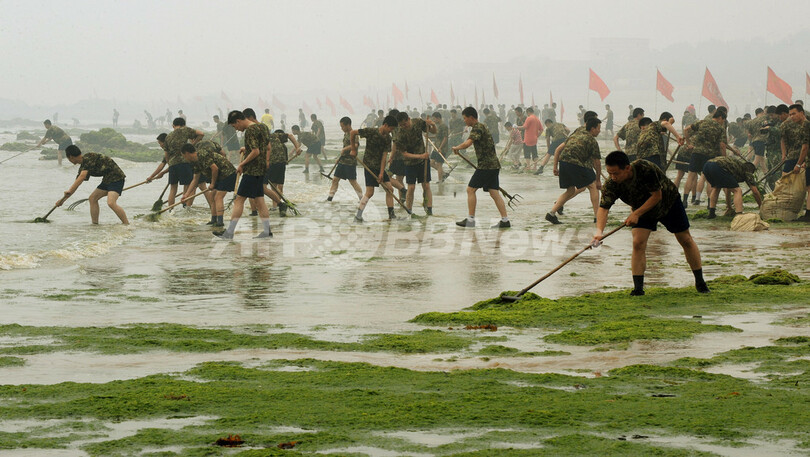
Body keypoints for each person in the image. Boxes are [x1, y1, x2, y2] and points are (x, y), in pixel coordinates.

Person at [594, 150, 709, 296]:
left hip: (668, 202)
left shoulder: (645, 168)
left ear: (627, 168)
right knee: (638, 242)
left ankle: (700, 282)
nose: (613, 177)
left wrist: (635, 214)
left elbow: (657, 196)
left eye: (616, 173)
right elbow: (603, 208)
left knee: (685, 239)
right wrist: (599, 232)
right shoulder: (612, 184)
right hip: (642, 209)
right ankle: (638, 289)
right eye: (610, 173)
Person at [216, 110, 273, 239]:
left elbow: (256, 151)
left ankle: (229, 233)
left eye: (234, 126)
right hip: (261, 169)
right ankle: (267, 231)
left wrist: (242, 164)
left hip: (252, 170)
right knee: (259, 200)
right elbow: (264, 147)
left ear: (238, 121)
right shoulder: (262, 127)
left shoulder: (250, 131)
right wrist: (246, 149)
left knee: (239, 200)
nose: (236, 129)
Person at [452, 107, 510, 228]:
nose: (464, 121)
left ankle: (471, 220)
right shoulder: (482, 126)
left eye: (465, 118)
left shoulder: (477, 127)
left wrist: (457, 148)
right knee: (494, 192)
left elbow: (468, 143)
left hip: (486, 166)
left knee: (470, 190)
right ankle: (505, 221)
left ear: (471, 117)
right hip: (493, 165)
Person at [546, 118, 603, 224]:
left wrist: (555, 166)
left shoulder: (576, 133)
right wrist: (598, 179)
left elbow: (559, 149)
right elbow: (597, 163)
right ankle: (597, 216)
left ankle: (551, 213)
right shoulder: (592, 140)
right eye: (598, 128)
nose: (599, 131)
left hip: (563, 162)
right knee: (593, 186)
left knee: (570, 190)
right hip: (575, 163)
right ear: (592, 128)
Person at [55, 145, 129, 225]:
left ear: (71, 157)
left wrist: (68, 191)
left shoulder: (89, 157)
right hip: (107, 180)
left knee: (111, 203)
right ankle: (95, 225)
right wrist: (62, 201)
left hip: (117, 178)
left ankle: (126, 224)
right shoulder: (83, 167)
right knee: (92, 199)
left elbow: (82, 177)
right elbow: (77, 184)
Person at [147, 117, 205, 208]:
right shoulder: (185, 130)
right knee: (187, 186)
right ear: (183, 125)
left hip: (173, 165)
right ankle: (186, 207)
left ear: (173, 125)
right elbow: (201, 134)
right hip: (184, 163)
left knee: (173, 189)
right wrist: (192, 144)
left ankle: (171, 209)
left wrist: (170, 165)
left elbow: (166, 155)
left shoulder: (168, 136)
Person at [351, 115, 399, 221]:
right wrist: (353, 149)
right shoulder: (371, 132)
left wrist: (382, 173)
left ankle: (392, 215)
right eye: (391, 128)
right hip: (369, 165)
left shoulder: (388, 138)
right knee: (370, 192)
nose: (391, 131)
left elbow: (384, 156)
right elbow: (352, 133)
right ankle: (358, 216)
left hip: (379, 166)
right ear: (385, 125)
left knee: (389, 189)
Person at [181, 142, 237, 227]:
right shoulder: (194, 162)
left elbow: (215, 168)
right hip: (219, 176)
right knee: (211, 197)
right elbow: (195, 180)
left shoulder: (202, 154)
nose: (184, 158)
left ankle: (220, 221)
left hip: (228, 173)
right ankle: (213, 220)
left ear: (187, 153)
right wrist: (186, 195)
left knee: (218, 197)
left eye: (184, 156)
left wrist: (212, 183)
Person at [681, 110, 728, 208]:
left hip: (697, 153)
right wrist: (724, 159)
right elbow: (722, 145)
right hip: (710, 156)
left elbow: (686, 130)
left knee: (691, 176)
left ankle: (684, 201)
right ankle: (709, 204)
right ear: (720, 118)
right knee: (709, 180)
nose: (722, 122)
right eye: (723, 120)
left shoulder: (702, 122)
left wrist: (689, 144)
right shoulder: (720, 128)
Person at [395, 111, 437, 215]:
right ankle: (409, 210)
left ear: (409, 119)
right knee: (411, 187)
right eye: (401, 125)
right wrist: (421, 156)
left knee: (426, 185)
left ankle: (429, 209)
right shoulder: (400, 134)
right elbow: (404, 154)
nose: (403, 126)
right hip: (410, 163)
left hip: (423, 162)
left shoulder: (418, 122)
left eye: (405, 124)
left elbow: (433, 132)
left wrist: (432, 124)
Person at [327, 117, 364, 201]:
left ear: (348, 125)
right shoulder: (346, 133)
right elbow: (345, 146)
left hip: (350, 162)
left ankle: (362, 199)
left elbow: (356, 145)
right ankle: (330, 198)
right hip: (342, 161)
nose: (341, 129)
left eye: (342, 126)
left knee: (353, 181)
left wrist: (345, 149)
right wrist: (339, 158)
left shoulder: (353, 133)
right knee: (335, 180)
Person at [780, 104, 807, 176]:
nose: (792, 116)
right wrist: (784, 154)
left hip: (801, 157)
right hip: (794, 155)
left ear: (801, 113)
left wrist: (799, 164)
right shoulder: (785, 124)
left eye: (794, 114)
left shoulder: (806, 126)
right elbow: (783, 139)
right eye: (790, 114)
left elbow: (805, 147)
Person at [515, 107, 542, 172]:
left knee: (527, 153)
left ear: (528, 112)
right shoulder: (537, 119)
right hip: (534, 139)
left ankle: (528, 166)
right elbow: (541, 129)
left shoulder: (529, 118)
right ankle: (535, 166)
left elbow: (524, 127)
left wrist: (516, 127)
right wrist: (537, 136)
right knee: (534, 153)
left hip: (527, 139)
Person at [746, 108, 769, 174]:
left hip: (754, 141)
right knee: (757, 160)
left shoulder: (752, 121)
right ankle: (748, 173)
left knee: (762, 159)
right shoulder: (764, 118)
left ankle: (765, 172)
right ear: (762, 112)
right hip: (760, 141)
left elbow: (749, 134)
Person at [429, 112, 449, 182]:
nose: (433, 121)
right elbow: (437, 136)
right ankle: (443, 173)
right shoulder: (437, 126)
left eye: (434, 119)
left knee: (439, 164)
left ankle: (440, 180)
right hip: (436, 147)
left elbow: (445, 138)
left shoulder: (444, 126)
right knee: (431, 163)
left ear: (438, 118)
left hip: (441, 148)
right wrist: (429, 137)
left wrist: (440, 147)